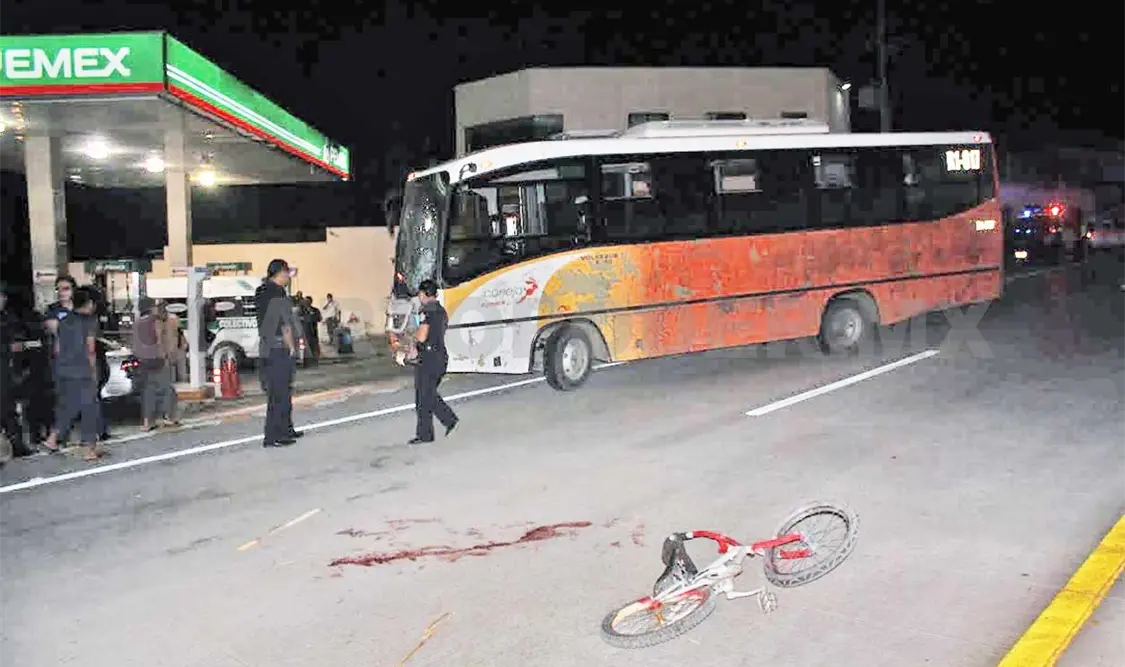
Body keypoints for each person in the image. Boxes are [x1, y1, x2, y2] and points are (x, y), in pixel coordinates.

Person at [43, 287, 103, 460]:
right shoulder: (90, 321)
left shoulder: (64, 320)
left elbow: (57, 348)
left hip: (63, 369)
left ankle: (52, 440)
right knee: (90, 408)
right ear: (90, 303)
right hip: (82, 370)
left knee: (67, 406)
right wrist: (93, 372)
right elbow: (90, 350)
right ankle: (89, 449)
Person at [255, 259, 304, 448]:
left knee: (279, 390)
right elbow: (284, 323)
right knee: (280, 391)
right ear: (280, 273)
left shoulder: (261, 291)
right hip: (278, 347)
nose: (288, 278)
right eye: (287, 274)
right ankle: (275, 435)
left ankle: (285, 428)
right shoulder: (277, 292)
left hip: (266, 346)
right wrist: (292, 346)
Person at [409, 279, 458, 444]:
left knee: (423, 398)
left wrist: (412, 341)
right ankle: (449, 419)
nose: (418, 296)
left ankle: (426, 435)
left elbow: (422, 336)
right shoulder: (441, 310)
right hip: (440, 357)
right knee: (428, 394)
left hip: (428, 360)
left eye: (419, 294)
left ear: (423, 294)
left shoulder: (426, 311)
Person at [0, 282, 35, 460]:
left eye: (2, 296)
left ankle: (18, 445)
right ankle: (17, 445)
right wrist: (9, 347)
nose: (1, 300)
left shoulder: (8, 317)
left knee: (9, 411)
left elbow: (18, 334)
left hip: (7, 370)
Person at [133, 298, 178, 430]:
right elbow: (159, 340)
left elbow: (135, 343)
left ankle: (148, 421)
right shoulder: (156, 321)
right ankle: (169, 417)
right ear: (152, 308)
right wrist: (166, 357)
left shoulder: (136, 322)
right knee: (167, 388)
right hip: (157, 358)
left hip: (142, 360)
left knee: (148, 390)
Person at [300, 296, 322, 363]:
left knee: (314, 346)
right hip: (304, 331)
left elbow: (319, 318)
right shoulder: (301, 310)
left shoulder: (315, 310)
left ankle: (315, 361)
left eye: (308, 301)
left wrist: (311, 318)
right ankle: (306, 361)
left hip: (313, 331)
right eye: (305, 301)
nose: (306, 303)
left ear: (311, 302)